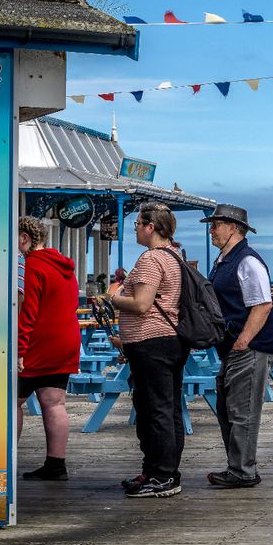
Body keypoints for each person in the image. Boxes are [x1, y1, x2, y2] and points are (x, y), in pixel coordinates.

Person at [108, 203, 190, 498]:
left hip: (152, 342)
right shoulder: (175, 255)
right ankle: (159, 471)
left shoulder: (152, 258)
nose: (135, 230)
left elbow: (142, 304)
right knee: (167, 408)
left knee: (155, 410)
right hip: (169, 341)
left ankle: (163, 475)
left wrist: (114, 298)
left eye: (137, 224)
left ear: (150, 227)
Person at [201, 203, 273, 488]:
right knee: (228, 409)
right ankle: (237, 466)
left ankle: (243, 471)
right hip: (233, 346)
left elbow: (262, 305)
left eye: (216, 226)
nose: (211, 231)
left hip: (250, 347)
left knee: (243, 411)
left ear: (233, 228)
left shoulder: (247, 261)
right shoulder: (225, 260)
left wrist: (243, 341)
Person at [15, 215, 78, 482]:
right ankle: (56, 465)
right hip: (66, 341)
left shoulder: (33, 265)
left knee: (11, 402)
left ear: (25, 238)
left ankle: (3, 460)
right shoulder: (64, 266)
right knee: (54, 403)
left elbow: (28, 312)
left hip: (39, 344)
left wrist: (19, 350)